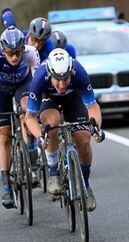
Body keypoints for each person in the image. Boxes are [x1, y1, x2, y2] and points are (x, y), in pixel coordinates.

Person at [25, 49, 105, 212]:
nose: (61, 84)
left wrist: (96, 128)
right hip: (49, 100)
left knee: (83, 139)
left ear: (71, 72)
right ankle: (53, 172)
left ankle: (86, 187)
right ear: (50, 73)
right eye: (57, 80)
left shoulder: (79, 71)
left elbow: (92, 106)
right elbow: (29, 117)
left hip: (73, 99)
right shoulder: (40, 76)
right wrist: (40, 135)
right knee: (51, 125)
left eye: (66, 79)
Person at [0, 26, 40, 208]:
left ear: (23, 49)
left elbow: (37, 83)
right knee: (4, 135)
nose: (15, 57)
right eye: (10, 53)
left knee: (27, 110)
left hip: (23, 85)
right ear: (3, 51)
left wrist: (36, 109)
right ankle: (6, 185)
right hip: (1, 90)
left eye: (18, 52)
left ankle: (31, 151)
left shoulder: (31, 53)